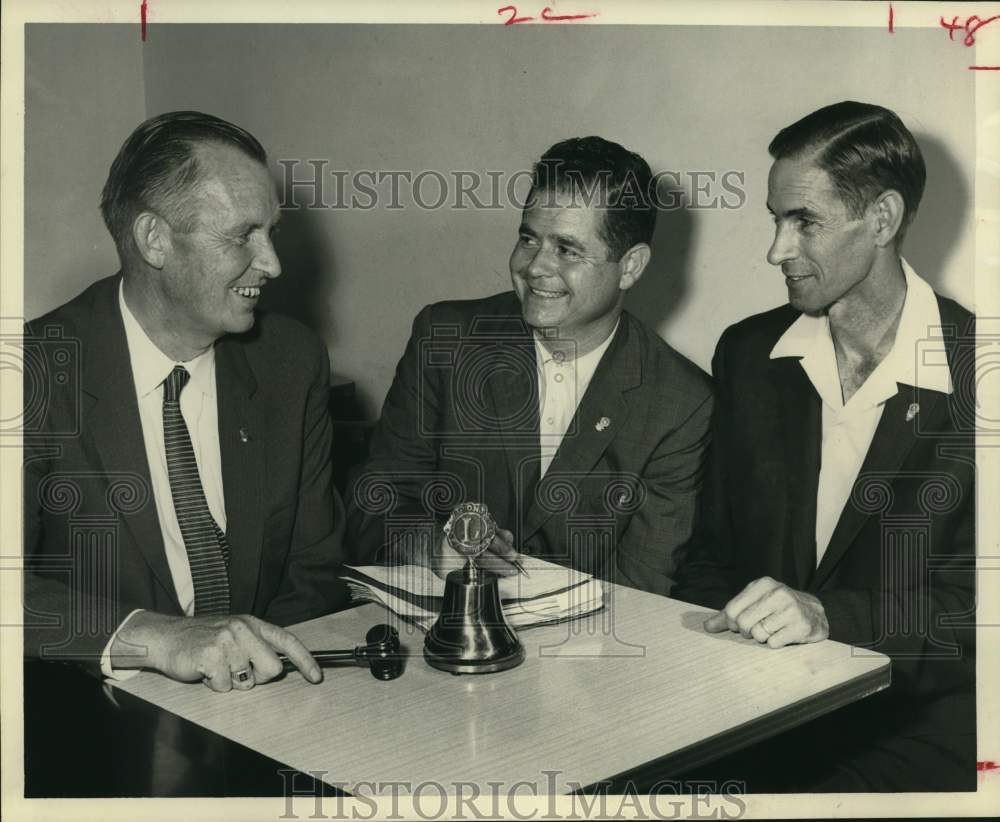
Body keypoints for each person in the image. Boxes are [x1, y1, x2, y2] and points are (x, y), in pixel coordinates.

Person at [676, 101, 976, 791]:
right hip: (758, 709)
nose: (776, 250)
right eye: (776, 220)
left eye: (803, 221)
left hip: (916, 727)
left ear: (882, 219)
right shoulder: (749, 353)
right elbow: (708, 557)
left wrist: (828, 618)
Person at [23, 111, 349, 692]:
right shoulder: (33, 374)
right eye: (242, 235)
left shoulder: (291, 361)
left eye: (271, 232)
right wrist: (155, 637)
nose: (272, 263)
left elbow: (312, 572)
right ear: (155, 240)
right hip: (91, 713)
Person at [346, 136, 712, 595]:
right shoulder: (446, 339)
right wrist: (430, 547)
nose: (535, 266)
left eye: (567, 249)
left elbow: (643, 585)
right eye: (528, 238)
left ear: (631, 267)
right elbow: (373, 505)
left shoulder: (682, 402)